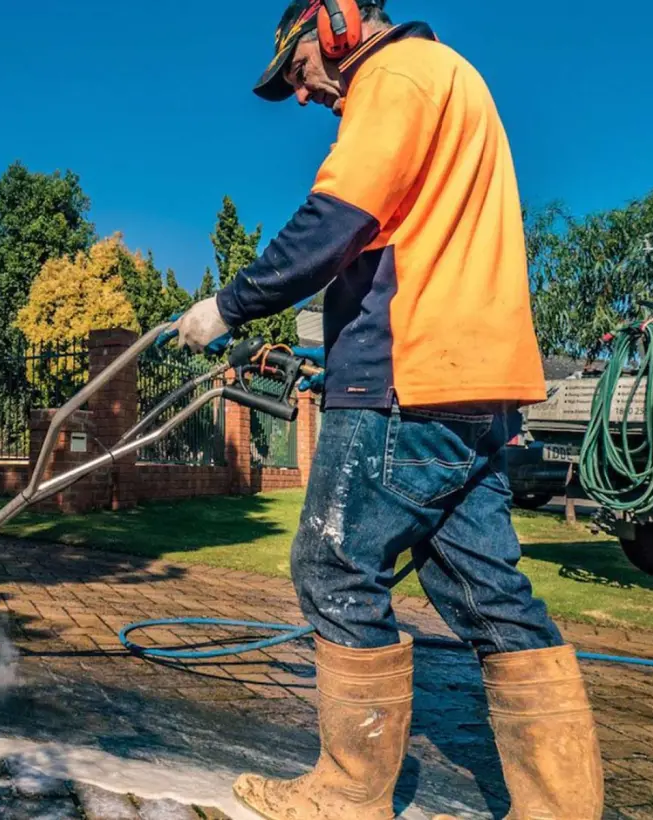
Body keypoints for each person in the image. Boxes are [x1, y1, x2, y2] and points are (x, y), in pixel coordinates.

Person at [172, 2, 603, 818]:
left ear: (335, 26)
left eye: (296, 72)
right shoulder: (455, 79)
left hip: (404, 379)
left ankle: (346, 795)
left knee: (333, 564)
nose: (302, 95)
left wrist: (228, 306)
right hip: (472, 385)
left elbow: (336, 221)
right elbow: (411, 238)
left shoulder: (392, 76)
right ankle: (562, 807)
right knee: (489, 593)